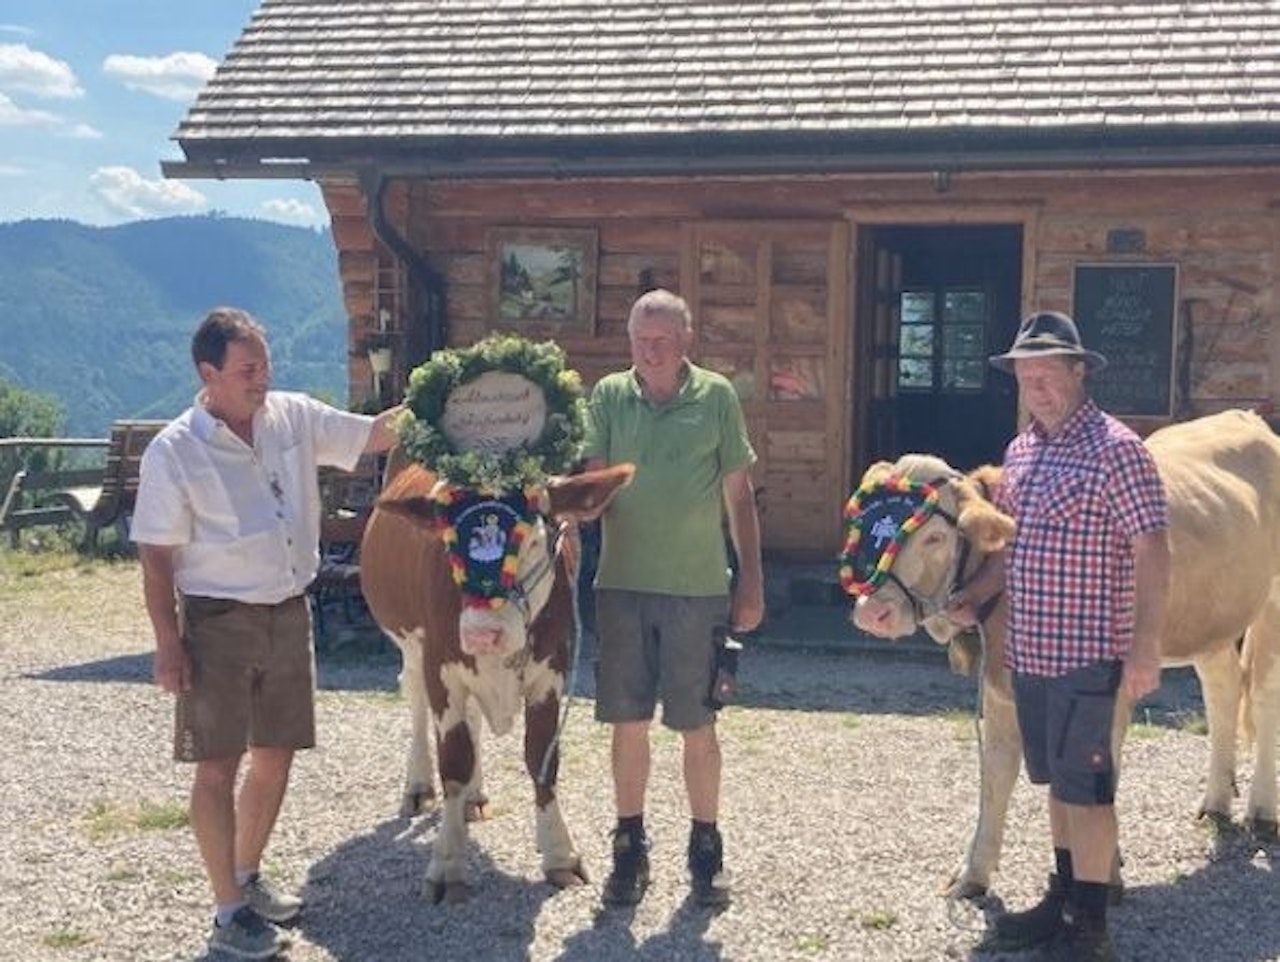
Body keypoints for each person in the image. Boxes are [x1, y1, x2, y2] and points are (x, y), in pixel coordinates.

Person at [132, 307, 402, 960]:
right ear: (209, 373)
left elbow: (375, 436)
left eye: (265, 365)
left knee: (276, 754)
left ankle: (247, 877)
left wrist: (460, 390)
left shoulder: (294, 416)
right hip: (217, 622)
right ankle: (227, 915)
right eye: (248, 368)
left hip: (288, 610)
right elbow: (156, 557)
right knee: (217, 766)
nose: (262, 378)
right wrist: (168, 644)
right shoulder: (175, 450)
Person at [949, 311, 1170, 961]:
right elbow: (1008, 552)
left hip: (1090, 656)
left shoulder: (1117, 450)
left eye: (1049, 373)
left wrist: (1146, 646)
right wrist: (974, 598)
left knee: (1089, 792)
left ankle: (1091, 928)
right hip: (1031, 652)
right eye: (1026, 375)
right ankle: (1064, 896)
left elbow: (1153, 551)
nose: (1038, 385)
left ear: (1079, 373)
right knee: (1055, 785)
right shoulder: (1023, 450)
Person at [583, 288, 764, 909]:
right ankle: (628, 849)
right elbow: (595, 481)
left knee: (698, 725)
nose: (650, 352)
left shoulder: (716, 397)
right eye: (639, 341)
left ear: (686, 340)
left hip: (698, 587)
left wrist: (751, 581)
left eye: (661, 341)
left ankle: (706, 851)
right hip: (622, 585)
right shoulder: (608, 396)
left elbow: (739, 497)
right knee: (627, 723)